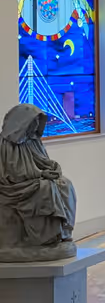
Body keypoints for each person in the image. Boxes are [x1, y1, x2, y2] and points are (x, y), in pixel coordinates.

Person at [0, 103, 77, 261]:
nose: (36, 125)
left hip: (36, 178)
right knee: (46, 189)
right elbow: (13, 172)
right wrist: (42, 174)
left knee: (65, 184)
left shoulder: (33, 140)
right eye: (33, 121)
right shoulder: (7, 144)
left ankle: (63, 232)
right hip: (15, 186)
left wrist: (53, 167)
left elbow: (42, 160)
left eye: (38, 121)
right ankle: (44, 239)